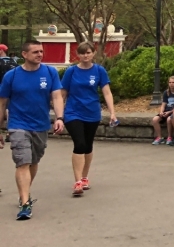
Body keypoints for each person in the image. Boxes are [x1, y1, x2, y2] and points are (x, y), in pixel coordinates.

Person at [0, 40, 65, 220]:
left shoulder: (50, 72)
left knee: (33, 161)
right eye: (35, 52)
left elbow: (57, 97)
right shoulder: (11, 76)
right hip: (18, 124)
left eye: (41, 52)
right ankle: (25, 202)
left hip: (41, 125)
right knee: (23, 162)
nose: (39, 55)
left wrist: (59, 118)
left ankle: (24, 192)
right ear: (24, 54)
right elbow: (2, 103)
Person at [61, 42, 117, 196]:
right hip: (73, 112)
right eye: (82, 53)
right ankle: (78, 181)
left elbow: (107, 93)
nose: (85, 56)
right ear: (77, 55)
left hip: (92, 112)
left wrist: (112, 112)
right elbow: (62, 93)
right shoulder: (71, 72)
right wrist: (59, 115)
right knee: (79, 143)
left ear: (93, 53)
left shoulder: (99, 70)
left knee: (87, 145)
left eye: (88, 53)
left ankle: (85, 177)